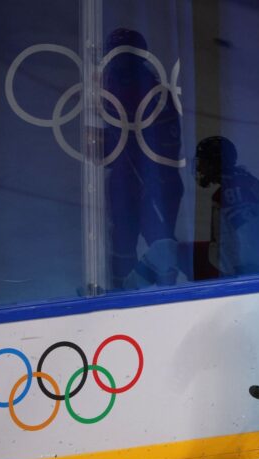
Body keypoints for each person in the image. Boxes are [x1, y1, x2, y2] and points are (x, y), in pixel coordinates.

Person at [103, 28, 184, 290]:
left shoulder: (155, 93)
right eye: (115, 56)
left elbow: (166, 151)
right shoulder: (110, 83)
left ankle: (166, 299)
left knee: (161, 246)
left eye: (125, 57)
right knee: (122, 246)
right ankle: (120, 297)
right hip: (125, 181)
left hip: (156, 184)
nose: (118, 63)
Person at [194, 135, 259, 278]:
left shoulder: (228, 192)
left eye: (203, 162)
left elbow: (238, 235)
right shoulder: (248, 181)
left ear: (214, 163)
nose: (200, 167)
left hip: (244, 269)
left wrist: (238, 267)